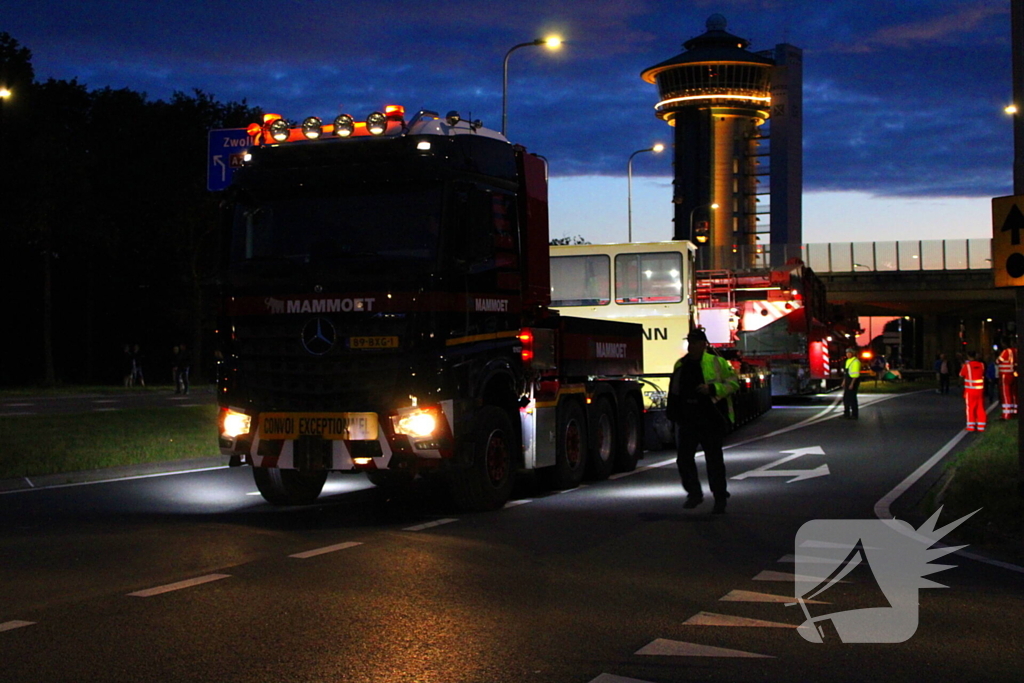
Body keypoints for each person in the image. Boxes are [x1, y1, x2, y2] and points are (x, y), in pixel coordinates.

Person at [666, 328, 739, 514]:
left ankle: (720, 497)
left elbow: (733, 383)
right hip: (688, 419)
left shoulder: (717, 362)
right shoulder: (680, 365)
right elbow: (674, 391)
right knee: (683, 459)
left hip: (710, 417)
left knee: (714, 460)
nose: (691, 346)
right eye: (689, 342)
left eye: (695, 343)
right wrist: (672, 415)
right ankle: (694, 494)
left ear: (703, 344)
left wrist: (712, 389)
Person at [960, 350, 987, 432]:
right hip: (979, 390)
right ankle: (981, 426)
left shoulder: (967, 366)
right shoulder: (981, 365)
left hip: (970, 390)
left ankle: (971, 426)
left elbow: (961, 374)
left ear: (968, 357)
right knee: (980, 407)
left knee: (970, 408)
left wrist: (962, 366)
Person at [996, 342, 1018, 420]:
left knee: (1006, 394)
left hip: (1005, 375)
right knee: (1014, 393)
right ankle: (1015, 411)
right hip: (1013, 374)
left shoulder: (1006, 352)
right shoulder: (1016, 351)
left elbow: (999, 361)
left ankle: (1006, 414)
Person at [842, 347, 861, 419]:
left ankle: (854, 414)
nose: (848, 354)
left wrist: (852, 384)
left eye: (849, 353)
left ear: (853, 354)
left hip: (853, 381)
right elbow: (846, 373)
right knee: (846, 398)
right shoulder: (848, 361)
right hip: (848, 380)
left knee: (852, 398)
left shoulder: (856, 362)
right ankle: (846, 414)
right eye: (847, 353)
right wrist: (844, 381)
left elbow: (856, 374)